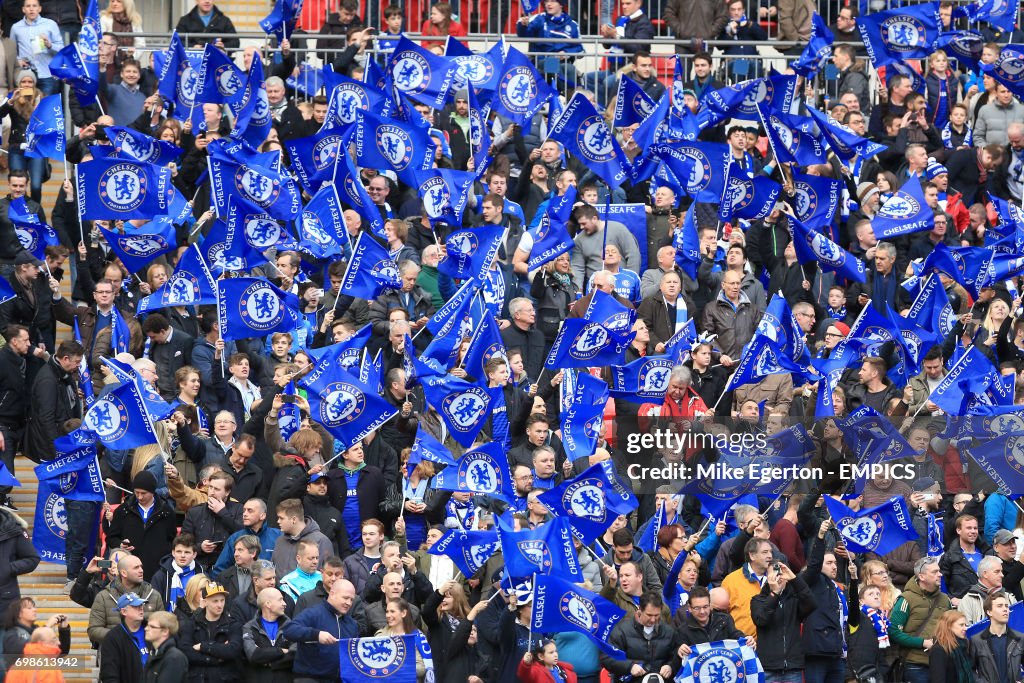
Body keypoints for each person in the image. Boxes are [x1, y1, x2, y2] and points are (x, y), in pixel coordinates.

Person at [751, 558, 818, 683]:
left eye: (781, 572)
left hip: (793, 668)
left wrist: (794, 578)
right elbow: (761, 620)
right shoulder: (758, 599)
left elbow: (812, 604)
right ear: (767, 576)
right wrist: (775, 593)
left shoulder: (794, 599)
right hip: (768, 668)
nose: (778, 576)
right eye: (774, 573)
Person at [103, 471, 179, 581]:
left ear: (152, 492)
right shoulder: (123, 511)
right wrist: (120, 545)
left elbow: (172, 541)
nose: (140, 496)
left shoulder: (167, 513)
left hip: (157, 572)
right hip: (128, 573)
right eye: (137, 492)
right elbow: (111, 538)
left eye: (143, 493)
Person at [282, 578, 359, 682]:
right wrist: (316, 635)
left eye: (351, 600)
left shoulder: (351, 624)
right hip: (310, 678)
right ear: (332, 594)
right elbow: (289, 630)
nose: (349, 603)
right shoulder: (314, 613)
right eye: (345, 598)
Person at [890, 557, 953, 683]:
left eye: (939, 571)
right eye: (934, 572)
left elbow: (950, 628)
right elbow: (893, 632)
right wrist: (923, 642)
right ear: (922, 576)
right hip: (915, 664)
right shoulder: (906, 599)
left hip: (941, 663)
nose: (940, 574)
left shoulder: (945, 600)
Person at [599, 591, 676, 680]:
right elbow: (607, 656)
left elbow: (676, 655)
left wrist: (670, 666)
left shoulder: (669, 631)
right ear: (640, 610)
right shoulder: (621, 630)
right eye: (649, 615)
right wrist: (630, 667)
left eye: (657, 615)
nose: (653, 620)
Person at [179, 582, 242, 680]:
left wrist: (203, 646)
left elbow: (232, 650)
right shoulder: (192, 623)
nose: (220, 605)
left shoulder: (233, 625)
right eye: (215, 601)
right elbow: (185, 651)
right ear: (204, 602)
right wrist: (216, 658)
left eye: (222, 600)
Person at [242, 587, 296, 680]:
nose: (285, 604)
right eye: (280, 600)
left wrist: (271, 663)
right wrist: (282, 651)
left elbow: (294, 655)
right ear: (268, 604)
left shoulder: (291, 626)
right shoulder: (250, 627)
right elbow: (254, 655)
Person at [10, 0, 63, 96]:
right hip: (26, 77)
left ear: (39, 9)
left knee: (45, 107)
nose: (31, 9)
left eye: (34, 6)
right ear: (23, 9)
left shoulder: (50, 24)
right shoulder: (16, 27)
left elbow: (62, 49)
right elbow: (12, 50)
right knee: (27, 106)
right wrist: (17, 60)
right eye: (28, 6)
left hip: (47, 74)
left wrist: (50, 45)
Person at [970, 593, 1024, 683]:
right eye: (1000, 606)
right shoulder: (977, 640)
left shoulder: (1020, 638)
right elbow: (969, 670)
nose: (1005, 609)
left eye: (1006, 606)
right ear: (989, 612)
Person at [98, 593, 149, 683]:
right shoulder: (113, 638)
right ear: (124, 611)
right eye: (135, 606)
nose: (141, 608)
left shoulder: (152, 630)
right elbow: (109, 675)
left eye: (141, 605)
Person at [143, 610, 190, 683]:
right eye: (147, 625)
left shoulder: (174, 658)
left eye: (152, 626)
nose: (146, 629)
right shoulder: (154, 654)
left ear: (165, 631)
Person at [928, 610, 973, 683]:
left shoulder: (963, 646)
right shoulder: (939, 650)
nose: (965, 628)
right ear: (948, 626)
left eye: (966, 625)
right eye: (961, 625)